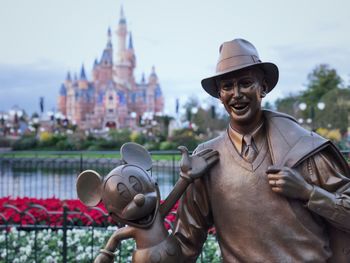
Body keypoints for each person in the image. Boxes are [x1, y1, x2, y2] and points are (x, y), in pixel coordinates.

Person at [173, 39, 350, 262]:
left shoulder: (306, 149)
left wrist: (307, 192)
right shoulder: (205, 160)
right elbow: (185, 244)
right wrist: (145, 227)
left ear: (263, 87)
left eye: (246, 83)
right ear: (220, 95)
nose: (236, 94)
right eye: (227, 86)